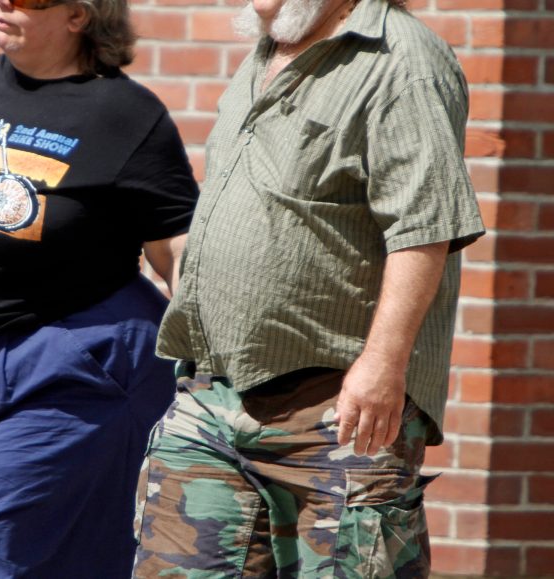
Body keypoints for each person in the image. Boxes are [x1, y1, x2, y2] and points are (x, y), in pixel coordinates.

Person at [132, 0, 485, 576]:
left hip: (339, 409)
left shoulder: (402, 58)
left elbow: (425, 228)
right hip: (212, 399)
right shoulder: (272, 45)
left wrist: (383, 364)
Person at [0, 0, 199, 576]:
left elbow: (177, 252)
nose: (2, 4)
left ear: (79, 16)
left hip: (61, 372)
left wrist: (220, 360)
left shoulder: (126, 114)